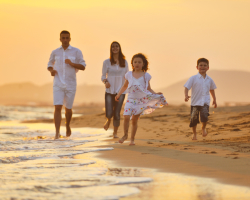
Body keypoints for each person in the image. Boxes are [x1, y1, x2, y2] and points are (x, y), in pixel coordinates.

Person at [115, 53, 167, 145]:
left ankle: (132, 139)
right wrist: (119, 94)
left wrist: (156, 94)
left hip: (141, 102)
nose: (137, 64)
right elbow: (125, 86)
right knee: (126, 116)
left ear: (143, 64)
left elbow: (148, 88)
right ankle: (125, 135)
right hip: (130, 100)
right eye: (135, 62)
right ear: (132, 64)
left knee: (134, 120)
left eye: (139, 62)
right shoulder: (129, 74)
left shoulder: (146, 76)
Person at [47, 30, 86, 140]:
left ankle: (68, 125)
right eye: (63, 38)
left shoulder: (76, 51)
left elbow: (83, 66)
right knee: (58, 107)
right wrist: (51, 71)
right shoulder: (55, 52)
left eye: (66, 38)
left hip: (71, 84)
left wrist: (72, 64)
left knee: (68, 108)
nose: (65, 40)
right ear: (60, 39)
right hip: (58, 83)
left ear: (70, 39)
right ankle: (57, 133)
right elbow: (49, 64)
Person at [184, 58, 217, 140]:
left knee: (204, 117)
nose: (203, 67)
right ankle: (194, 134)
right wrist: (186, 95)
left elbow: (212, 89)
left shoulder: (209, 79)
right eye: (201, 65)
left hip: (205, 102)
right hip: (195, 102)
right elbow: (186, 87)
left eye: (205, 65)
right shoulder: (193, 78)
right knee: (194, 120)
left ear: (208, 67)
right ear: (197, 67)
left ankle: (203, 128)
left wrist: (214, 100)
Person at [101, 41, 129, 138]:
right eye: (113, 47)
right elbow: (103, 76)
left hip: (121, 91)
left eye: (117, 46)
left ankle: (115, 133)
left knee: (117, 113)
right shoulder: (106, 62)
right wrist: (105, 82)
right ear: (111, 49)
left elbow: (127, 76)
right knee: (109, 112)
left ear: (119, 48)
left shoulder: (124, 62)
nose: (115, 48)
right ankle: (108, 120)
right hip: (109, 91)